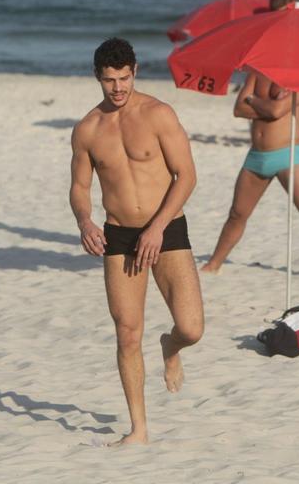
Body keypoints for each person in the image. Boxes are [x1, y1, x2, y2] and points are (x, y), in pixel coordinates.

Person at [69, 38, 204, 446]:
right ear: (98, 77)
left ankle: (171, 347)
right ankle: (139, 429)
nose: (118, 88)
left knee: (192, 328)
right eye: (109, 80)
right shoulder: (87, 129)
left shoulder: (159, 114)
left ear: (135, 71)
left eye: (124, 78)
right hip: (120, 235)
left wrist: (158, 226)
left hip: (167, 228)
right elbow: (78, 186)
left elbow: (187, 176)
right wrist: (85, 221)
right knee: (127, 333)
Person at [200, 71, 299, 278]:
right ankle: (213, 264)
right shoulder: (257, 73)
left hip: (288, 155)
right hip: (257, 156)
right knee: (237, 214)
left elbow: (277, 111)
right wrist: (258, 104)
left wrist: (252, 100)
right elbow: (239, 109)